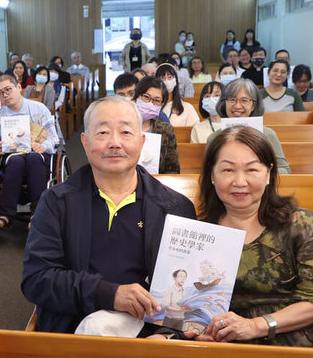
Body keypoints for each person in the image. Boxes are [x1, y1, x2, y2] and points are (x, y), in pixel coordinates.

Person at [21, 95, 196, 334]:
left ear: (142, 141)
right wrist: (109, 294)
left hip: (148, 337)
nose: (114, 143)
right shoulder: (56, 202)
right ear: (84, 141)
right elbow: (37, 280)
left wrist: (165, 338)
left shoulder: (174, 207)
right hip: (71, 335)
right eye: (102, 133)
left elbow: (183, 294)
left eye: (126, 133)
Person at [193, 126, 313, 348]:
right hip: (231, 341)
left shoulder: (299, 224)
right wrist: (201, 330)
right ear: (211, 175)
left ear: (268, 174)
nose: (239, 181)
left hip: (305, 336)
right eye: (227, 170)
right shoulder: (201, 234)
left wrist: (255, 326)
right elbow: (197, 306)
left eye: (251, 170)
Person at [0, 74, 59, 229]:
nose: (5, 95)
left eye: (8, 89)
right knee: (16, 160)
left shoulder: (39, 109)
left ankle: (38, 213)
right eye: (0, 93)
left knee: (33, 158)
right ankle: (5, 214)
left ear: (18, 87)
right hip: (13, 158)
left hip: (38, 156)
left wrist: (43, 146)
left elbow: (54, 139)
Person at [204, 78, 290, 174]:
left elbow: (284, 170)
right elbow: (208, 173)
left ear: (254, 106)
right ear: (224, 103)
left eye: (244, 100)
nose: (237, 106)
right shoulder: (214, 138)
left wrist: (260, 174)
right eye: (232, 100)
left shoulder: (268, 135)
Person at [133, 76, 180, 174]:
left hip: (156, 185)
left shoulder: (165, 130)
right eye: (146, 97)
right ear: (137, 96)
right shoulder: (121, 126)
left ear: (161, 104)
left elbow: (173, 169)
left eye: (156, 100)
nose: (150, 103)